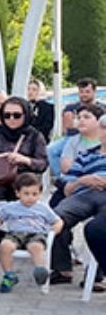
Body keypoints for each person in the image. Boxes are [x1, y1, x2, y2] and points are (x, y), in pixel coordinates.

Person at [48, 115, 106, 286]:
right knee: (55, 218)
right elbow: (67, 188)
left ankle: (97, 275)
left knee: (100, 227)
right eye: (104, 128)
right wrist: (83, 180)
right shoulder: (86, 155)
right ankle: (62, 269)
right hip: (83, 194)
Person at [0, 96, 48, 221]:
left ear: (26, 115)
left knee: (22, 195)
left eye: (17, 115)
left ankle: (12, 228)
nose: (11, 119)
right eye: (7, 115)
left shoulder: (35, 136)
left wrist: (24, 159)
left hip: (23, 179)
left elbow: (43, 163)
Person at [0, 172, 62, 293]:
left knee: (36, 247)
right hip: (15, 234)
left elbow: (57, 220)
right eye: (26, 194)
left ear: (39, 194)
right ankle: (9, 275)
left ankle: (40, 270)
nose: (30, 198)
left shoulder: (43, 208)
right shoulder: (10, 207)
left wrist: (55, 228)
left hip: (36, 234)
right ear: (18, 193)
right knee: (5, 246)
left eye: (34, 194)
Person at [49, 78, 100, 176]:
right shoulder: (70, 108)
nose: (84, 94)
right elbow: (66, 128)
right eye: (81, 91)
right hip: (71, 137)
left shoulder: (101, 108)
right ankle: (62, 176)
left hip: (95, 137)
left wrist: (78, 124)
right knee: (50, 150)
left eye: (87, 92)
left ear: (94, 92)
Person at [59, 104, 103, 178]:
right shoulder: (73, 141)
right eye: (79, 118)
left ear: (99, 121)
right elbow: (65, 168)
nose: (81, 120)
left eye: (86, 117)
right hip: (78, 180)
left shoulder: (103, 141)